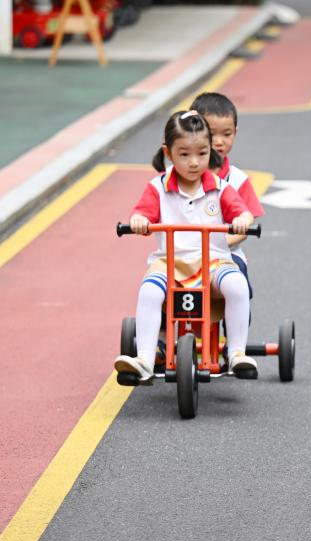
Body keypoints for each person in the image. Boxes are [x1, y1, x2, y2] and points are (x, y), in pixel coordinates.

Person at [114, 110, 256, 382]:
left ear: (209, 151)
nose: (194, 162)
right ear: (168, 152)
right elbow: (140, 213)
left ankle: (236, 352)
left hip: (213, 261)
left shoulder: (219, 187)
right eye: (184, 154)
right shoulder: (157, 187)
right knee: (150, 291)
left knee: (237, 286)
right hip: (170, 263)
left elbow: (243, 212)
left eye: (202, 154)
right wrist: (139, 221)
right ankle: (144, 358)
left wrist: (241, 220)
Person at [189, 92, 264, 297]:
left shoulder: (238, 180)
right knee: (162, 287)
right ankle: (160, 328)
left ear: (235, 133)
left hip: (227, 256)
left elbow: (244, 227)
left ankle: (236, 329)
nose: (220, 142)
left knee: (240, 286)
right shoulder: (178, 177)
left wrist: (218, 242)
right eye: (212, 134)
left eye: (227, 134)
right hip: (184, 255)